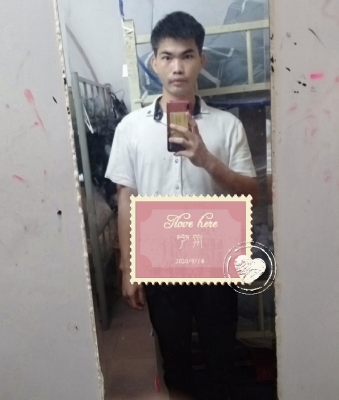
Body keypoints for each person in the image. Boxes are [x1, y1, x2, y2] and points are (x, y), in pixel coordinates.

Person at [105, 11, 258, 400]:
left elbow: (252, 193)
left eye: (187, 56)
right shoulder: (131, 128)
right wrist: (128, 267)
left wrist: (206, 160)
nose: (177, 67)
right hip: (160, 261)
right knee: (174, 358)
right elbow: (126, 197)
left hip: (216, 260)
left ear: (201, 60)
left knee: (221, 354)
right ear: (154, 62)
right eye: (168, 56)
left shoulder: (227, 126)